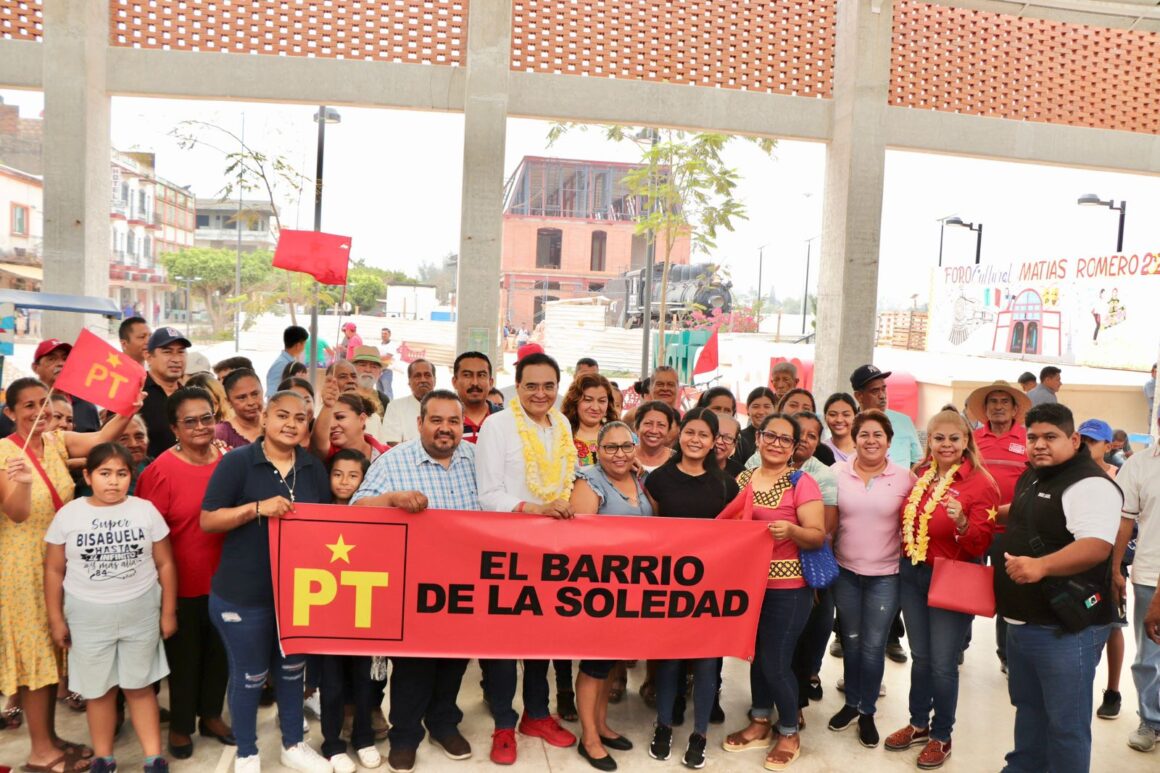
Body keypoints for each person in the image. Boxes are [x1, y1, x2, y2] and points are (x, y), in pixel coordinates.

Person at [0, 377, 145, 773]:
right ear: (10, 412)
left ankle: (49, 739)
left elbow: (101, 437)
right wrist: (23, 483)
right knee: (35, 660)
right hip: (22, 568)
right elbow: (16, 513)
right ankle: (40, 753)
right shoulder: (4, 453)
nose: (39, 411)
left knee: (51, 656)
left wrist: (129, 407)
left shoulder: (56, 442)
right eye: (28, 406)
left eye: (43, 402)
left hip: (58, 561)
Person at [200, 390, 331, 773]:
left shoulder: (312, 467)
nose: (291, 424)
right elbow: (208, 520)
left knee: (291, 673)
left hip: (297, 593)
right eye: (282, 415)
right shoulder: (238, 462)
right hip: (243, 593)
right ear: (265, 419)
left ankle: (293, 744)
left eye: (300, 418)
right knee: (250, 676)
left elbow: (326, 527)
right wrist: (257, 509)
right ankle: (247, 752)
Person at [352, 390, 478, 773]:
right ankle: (405, 736)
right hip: (413, 587)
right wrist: (392, 499)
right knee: (413, 667)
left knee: (454, 662)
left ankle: (443, 724)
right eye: (436, 420)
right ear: (420, 423)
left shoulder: (477, 459)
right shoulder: (393, 461)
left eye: (453, 421)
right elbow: (357, 507)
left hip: (466, 584)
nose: (445, 428)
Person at [995, 403, 1122, 772]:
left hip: (1065, 629)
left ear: (1074, 439)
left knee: (1065, 725)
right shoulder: (1035, 475)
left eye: (1050, 437)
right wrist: (986, 514)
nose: (1039, 445)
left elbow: (1096, 545)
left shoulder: (1090, 484)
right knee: (1029, 710)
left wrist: (1042, 566)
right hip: (1023, 621)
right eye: (1032, 437)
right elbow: (1025, 511)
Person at [44, 442, 176, 773]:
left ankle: (153, 757)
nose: (113, 481)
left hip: (140, 612)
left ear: (131, 476)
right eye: (105, 473)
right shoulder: (69, 514)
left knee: (140, 687)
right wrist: (56, 618)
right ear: (88, 476)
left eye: (121, 473)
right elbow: (54, 570)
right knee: (99, 692)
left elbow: (165, 564)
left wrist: (168, 612)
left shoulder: (145, 510)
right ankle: (104, 757)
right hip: (87, 617)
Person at [476, 352, 578, 764]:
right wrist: (535, 510)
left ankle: (537, 714)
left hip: (551, 550)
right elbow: (488, 495)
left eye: (548, 385)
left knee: (543, 637)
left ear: (558, 387)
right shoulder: (498, 425)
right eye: (531, 385)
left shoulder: (563, 425)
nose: (540, 393)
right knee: (503, 641)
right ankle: (504, 722)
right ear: (516, 387)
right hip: (507, 546)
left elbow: (565, 481)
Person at [885, 408, 999, 770]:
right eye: (939, 438)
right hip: (913, 574)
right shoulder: (922, 474)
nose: (946, 444)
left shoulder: (981, 483)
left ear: (966, 441)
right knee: (921, 657)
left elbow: (981, 545)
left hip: (952, 578)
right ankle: (919, 723)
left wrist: (962, 521)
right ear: (929, 442)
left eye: (954, 438)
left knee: (944, 664)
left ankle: (942, 735)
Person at [718, 412, 824, 771]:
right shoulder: (744, 478)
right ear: (759, 438)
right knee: (756, 655)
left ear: (794, 447)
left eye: (785, 439)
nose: (776, 443)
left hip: (789, 589)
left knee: (775, 661)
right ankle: (760, 721)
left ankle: (790, 731)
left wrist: (791, 531)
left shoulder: (801, 482)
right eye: (770, 436)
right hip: (750, 586)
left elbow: (817, 535)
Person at [135, 387, 233, 760]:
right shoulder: (160, 471)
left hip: (226, 580)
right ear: (174, 428)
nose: (200, 427)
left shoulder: (229, 461)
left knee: (220, 654)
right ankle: (180, 725)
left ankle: (211, 716)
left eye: (206, 418)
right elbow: (146, 535)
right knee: (184, 660)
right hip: (180, 584)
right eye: (189, 422)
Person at [645, 408, 742, 769]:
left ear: (714, 441)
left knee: (706, 661)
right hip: (670, 585)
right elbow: (651, 529)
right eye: (690, 432)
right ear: (679, 434)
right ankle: (663, 724)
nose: (695, 440)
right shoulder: (658, 479)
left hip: (712, 588)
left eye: (704, 434)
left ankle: (700, 733)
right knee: (669, 659)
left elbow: (736, 537)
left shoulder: (726, 485)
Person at [827, 410, 914, 748]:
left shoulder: (905, 478)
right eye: (864, 434)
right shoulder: (837, 473)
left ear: (889, 442)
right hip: (845, 572)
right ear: (855, 439)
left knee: (873, 645)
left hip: (886, 576)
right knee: (850, 640)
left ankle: (867, 711)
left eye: (878, 435)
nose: (871, 440)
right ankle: (851, 703)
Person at [570, 421, 651, 771]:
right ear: (597, 451)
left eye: (626, 446)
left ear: (635, 448)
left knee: (609, 662)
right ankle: (588, 738)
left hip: (630, 589)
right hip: (597, 590)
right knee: (593, 664)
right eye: (610, 447)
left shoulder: (639, 478)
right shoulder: (588, 481)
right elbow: (577, 541)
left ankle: (601, 725)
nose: (619, 453)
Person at [311, 449, 380, 773]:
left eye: (353, 476)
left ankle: (364, 738)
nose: (344, 482)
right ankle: (333, 743)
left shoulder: (375, 514)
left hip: (364, 612)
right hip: (327, 615)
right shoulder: (315, 512)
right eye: (337, 474)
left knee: (365, 681)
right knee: (332, 684)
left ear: (365, 480)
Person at [965, 380, 1031, 671]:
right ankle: (957, 646)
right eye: (993, 401)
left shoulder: (1028, 439)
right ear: (985, 408)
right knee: (966, 588)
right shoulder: (972, 439)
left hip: (1013, 531)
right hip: (976, 528)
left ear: (1015, 409)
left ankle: (1006, 655)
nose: (999, 406)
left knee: (1009, 594)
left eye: (1005, 401)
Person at [1112, 412, 1160, 753]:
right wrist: (1115, 568)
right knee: (1149, 656)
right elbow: (1124, 521)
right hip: (1148, 575)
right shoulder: (1139, 465)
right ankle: (1151, 721)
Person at [1076, 419, 1126, 719]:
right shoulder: (1072, 474)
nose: (1086, 446)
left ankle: (1113, 691)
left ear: (1108, 446)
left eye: (1092, 441)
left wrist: (1117, 570)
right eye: (1082, 440)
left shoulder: (1118, 476)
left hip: (1111, 564)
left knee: (1114, 626)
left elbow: (1125, 524)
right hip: (1079, 563)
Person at [850, 364, 921, 468]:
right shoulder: (849, 426)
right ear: (859, 396)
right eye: (875, 391)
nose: (882, 396)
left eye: (883, 389)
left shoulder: (904, 422)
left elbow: (918, 461)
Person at [142, 328, 191, 459]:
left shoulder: (191, 396)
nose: (176, 359)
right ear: (148, 357)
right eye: (167, 352)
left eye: (181, 352)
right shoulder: (135, 394)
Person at [33, 339, 100, 432]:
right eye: (52, 359)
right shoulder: (24, 405)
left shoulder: (86, 407)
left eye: (65, 359)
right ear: (35, 368)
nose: (61, 364)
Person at [312, 389, 387, 463]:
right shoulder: (329, 453)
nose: (332, 425)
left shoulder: (387, 453)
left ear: (361, 419)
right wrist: (327, 405)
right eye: (328, 420)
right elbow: (319, 442)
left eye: (340, 417)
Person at [562, 373, 618, 466]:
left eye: (602, 401)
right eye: (588, 400)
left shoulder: (620, 433)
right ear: (574, 401)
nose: (595, 407)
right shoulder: (561, 434)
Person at [379, 359, 436, 446]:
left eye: (427, 375)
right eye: (417, 376)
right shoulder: (395, 407)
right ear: (409, 382)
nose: (423, 380)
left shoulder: (446, 407)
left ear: (434, 380)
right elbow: (391, 443)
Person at [451, 351, 499, 444]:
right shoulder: (444, 422)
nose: (475, 383)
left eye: (481, 375)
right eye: (467, 375)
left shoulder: (504, 419)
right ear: (454, 382)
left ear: (491, 383)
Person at [214, 369, 264, 449]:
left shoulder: (276, 424)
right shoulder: (220, 433)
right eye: (242, 397)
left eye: (255, 394)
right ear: (229, 402)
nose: (251, 402)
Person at [633, 401, 678, 473]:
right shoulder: (623, 455)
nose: (654, 431)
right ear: (637, 427)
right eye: (648, 423)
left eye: (661, 425)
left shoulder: (678, 460)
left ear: (668, 430)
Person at [736, 387, 777, 463]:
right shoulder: (739, 438)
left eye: (767, 406)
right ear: (747, 409)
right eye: (756, 406)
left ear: (774, 408)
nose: (761, 412)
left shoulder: (781, 438)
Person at [266, 326, 308, 398]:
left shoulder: (289, 362)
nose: (304, 347)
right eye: (304, 344)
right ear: (298, 345)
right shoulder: (281, 365)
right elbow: (272, 395)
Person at [350, 346, 391, 413]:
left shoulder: (384, 400)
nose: (368, 370)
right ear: (353, 369)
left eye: (373, 367)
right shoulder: (343, 396)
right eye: (363, 365)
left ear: (380, 373)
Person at [823, 393, 858, 464]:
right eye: (833, 414)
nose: (839, 420)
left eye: (846, 415)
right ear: (825, 417)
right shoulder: (820, 450)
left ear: (855, 417)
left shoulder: (865, 449)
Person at [714, 412, 745, 477]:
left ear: (735, 444)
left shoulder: (741, 474)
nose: (719, 441)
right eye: (716, 434)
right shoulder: (692, 465)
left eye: (728, 438)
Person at [1145, 363, 1156, 430]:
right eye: (1156, 371)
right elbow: (1156, 398)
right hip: (1154, 413)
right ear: (1152, 372)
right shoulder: (1150, 384)